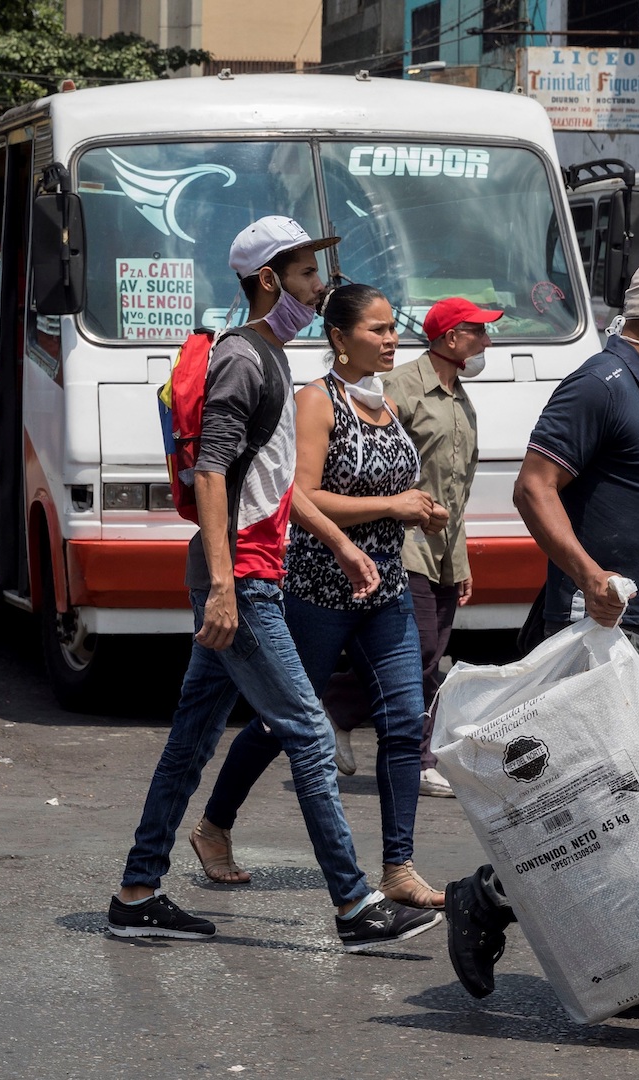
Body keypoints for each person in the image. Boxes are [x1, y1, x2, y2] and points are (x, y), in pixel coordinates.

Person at [111, 217, 442, 952]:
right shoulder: (245, 359)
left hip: (256, 571)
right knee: (309, 735)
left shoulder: (273, 358)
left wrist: (338, 546)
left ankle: (137, 891)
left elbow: (274, 486)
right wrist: (227, 587)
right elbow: (211, 472)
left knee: (190, 743)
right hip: (244, 582)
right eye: (305, 275)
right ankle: (356, 905)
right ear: (270, 281)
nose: (318, 289)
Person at [444, 255, 639, 1022]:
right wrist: (587, 575)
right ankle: (484, 900)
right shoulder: (601, 383)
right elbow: (533, 487)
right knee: (601, 805)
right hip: (613, 626)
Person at [192, 283, 448, 909]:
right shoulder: (316, 401)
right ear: (339, 337)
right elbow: (298, 495)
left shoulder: (383, 402)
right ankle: (213, 826)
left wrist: (418, 516)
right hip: (316, 588)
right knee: (287, 722)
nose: (391, 340)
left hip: (385, 587)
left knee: (402, 721)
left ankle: (398, 866)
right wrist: (391, 506)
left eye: (394, 329)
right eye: (378, 330)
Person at [380, 296, 501, 798]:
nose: (487, 342)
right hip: (401, 542)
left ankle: (340, 707)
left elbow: (457, 490)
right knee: (424, 651)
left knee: (433, 650)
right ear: (451, 338)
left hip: (443, 549)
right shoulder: (400, 387)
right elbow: (375, 465)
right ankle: (420, 758)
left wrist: (462, 558)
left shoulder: (460, 398)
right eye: (478, 332)